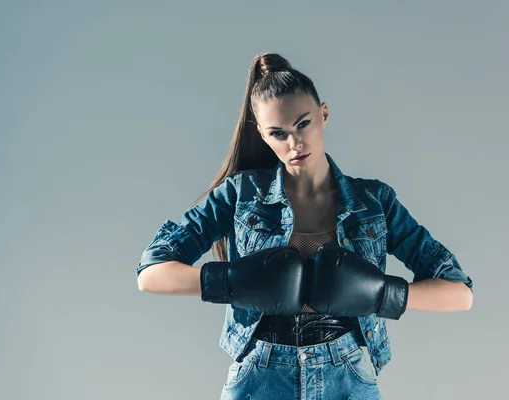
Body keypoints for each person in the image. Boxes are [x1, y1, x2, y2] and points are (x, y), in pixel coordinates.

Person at [135, 53, 473, 400]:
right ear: (262, 136)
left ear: (323, 114)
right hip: (261, 374)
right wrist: (235, 282)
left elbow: (459, 294)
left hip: (346, 372)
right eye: (278, 133)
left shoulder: (374, 201)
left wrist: (377, 295)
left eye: (303, 124)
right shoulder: (239, 195)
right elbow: (151, 273)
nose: (294, 144)